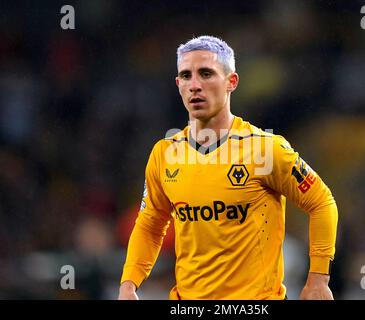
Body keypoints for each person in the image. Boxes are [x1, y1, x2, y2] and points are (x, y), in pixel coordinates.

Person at [118, 35, 338, 300]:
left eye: (206, 73)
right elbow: (151, 223)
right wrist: (128, 284)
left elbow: (322, 202)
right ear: (178, 84)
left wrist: (318, 279)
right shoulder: (164, 154)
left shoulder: (265, 149)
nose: (195, 85)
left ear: (231, 81)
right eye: (186, 76)